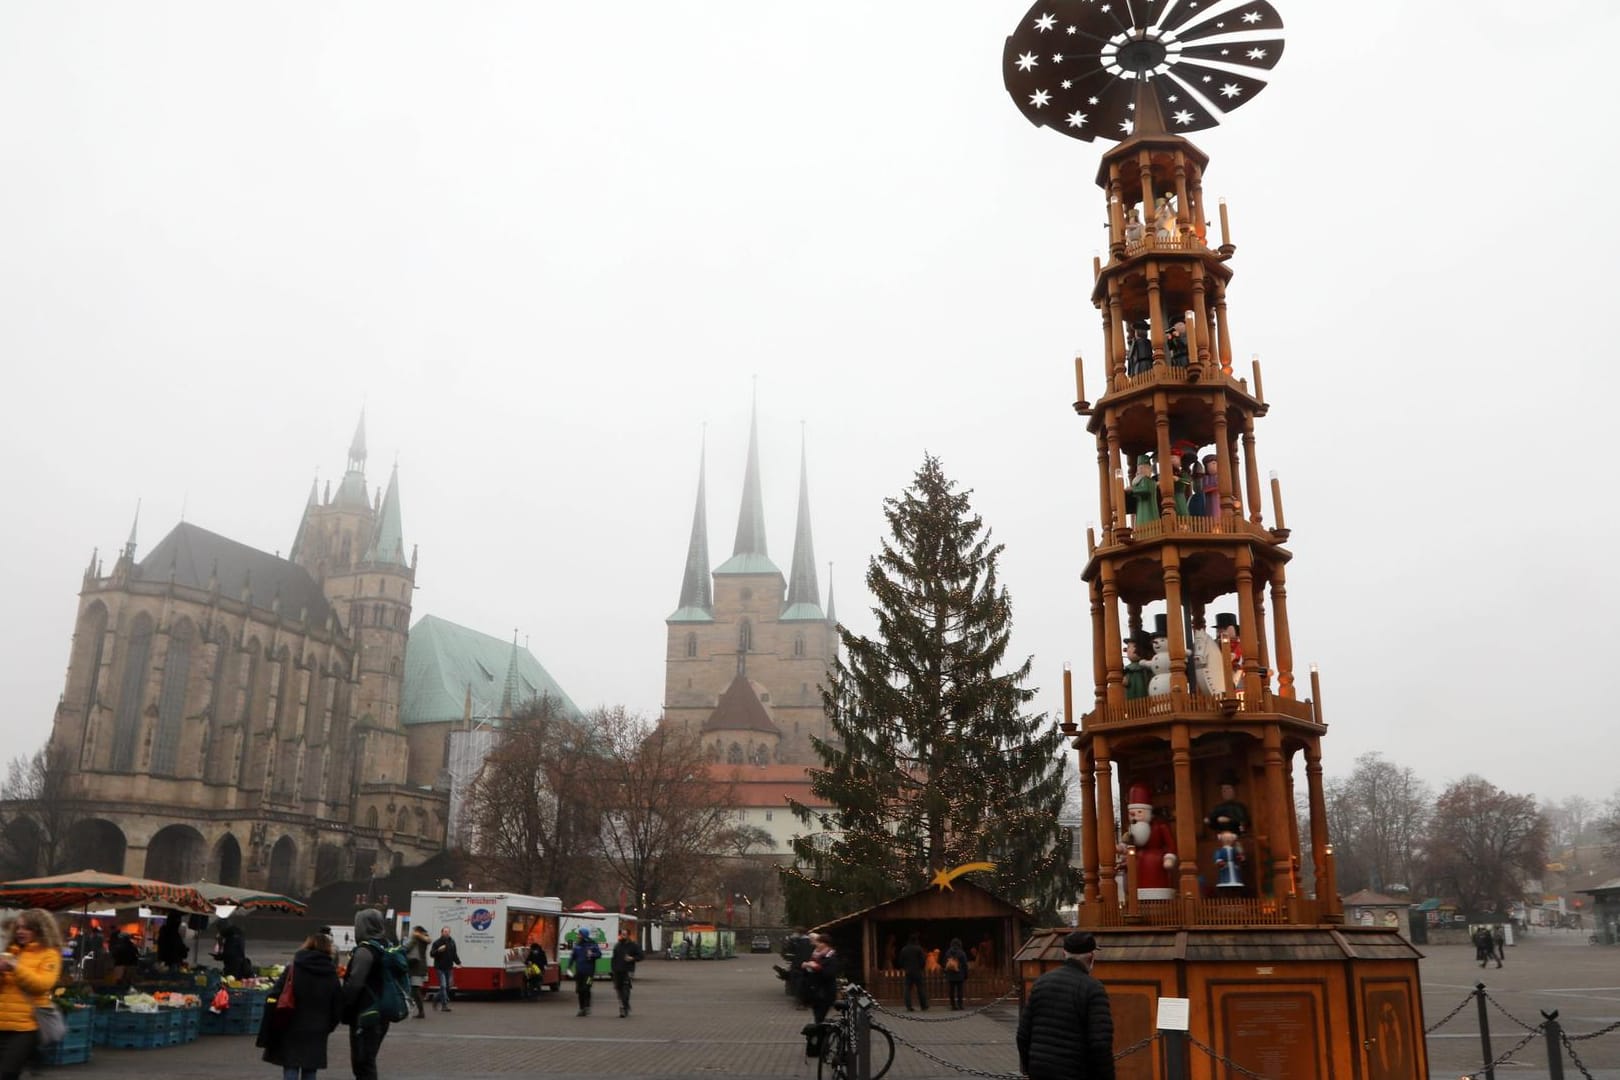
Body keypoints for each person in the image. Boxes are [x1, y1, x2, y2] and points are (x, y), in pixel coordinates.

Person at [1016, 930, 1114, 1080]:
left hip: (1040, 1071)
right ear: (1092, 957)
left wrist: (1031, 1067)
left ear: (1064, 954)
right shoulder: (1093, 988)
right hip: (1075, 1072)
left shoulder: (1041, 982)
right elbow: (1100, 1045)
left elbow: (1022, 1035)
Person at [259, 931, 343, 1080]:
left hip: (291, 1022)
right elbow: (337, 1005)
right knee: (310, 1068)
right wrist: (328, 1025)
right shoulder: (331, 973)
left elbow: (275, 994)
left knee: (291, 1065)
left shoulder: (294, 968)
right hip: (318, 1027)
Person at [0, 909, 64, 1080]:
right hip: (1, 1021)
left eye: (27, 928)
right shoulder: (12, 951)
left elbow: (42, 984)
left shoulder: (50, 954)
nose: (21, 932)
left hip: (25, 1027)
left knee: (7, 1073)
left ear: (40, 930)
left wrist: (15, 967)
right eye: (19, 927)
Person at [342, 910, 393, 1080]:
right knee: (368, 1059)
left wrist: (344, 1006)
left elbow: (355, 983)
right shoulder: (387, 945)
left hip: (365, 1012)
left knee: (362, 1063)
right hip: (382, 1011)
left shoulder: (365, 950)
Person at [1120, 782, 1177, 900]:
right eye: (1132, 814)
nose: (1135, 817)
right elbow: (1128, 843)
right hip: (1136, 864)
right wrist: (1122, 848)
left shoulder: (1160, 826)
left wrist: (1169, 857)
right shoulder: (1131, 829)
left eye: (1139, 812)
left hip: (1156, 862)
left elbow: (1170, 844)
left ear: (1148, 812)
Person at [799, 933, 839, 1059]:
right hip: (815, 993)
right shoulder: (816, 956)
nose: (817, 945)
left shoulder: (831, 957)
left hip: (825, 994)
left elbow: (829, 974)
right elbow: (810, 975)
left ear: (826, 944)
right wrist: (807, 967)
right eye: (817, 942)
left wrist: (816, 967)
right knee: (818, 1019)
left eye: (820, 943)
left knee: (819, 1019)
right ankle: (821, 1045)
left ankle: (822, 1046)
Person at [609, 928, 643, 1018]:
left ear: (628, 935)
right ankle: (625, 1005)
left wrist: (632, 958)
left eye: (625, 934)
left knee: (626, 990)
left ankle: (623, 1008)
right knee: (619, 990)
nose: (623, 936)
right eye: (622, 934)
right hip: (617, 971)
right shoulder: (617, 945)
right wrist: (612, 970)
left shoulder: (633, 945)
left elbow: (641, 956)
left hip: (628, 970)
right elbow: (613, 959)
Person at [569, 930, 602, 1017]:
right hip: (579, 972)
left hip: (589, 973)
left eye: (579, 934)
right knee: (579, 990)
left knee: (586, 988)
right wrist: (569, 967)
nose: (578, 935)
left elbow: (599, 954)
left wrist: (592, 955)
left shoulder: (592, 944)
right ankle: (581, 1008)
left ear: (584, 935)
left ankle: (587, 1006)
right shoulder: (577, 945)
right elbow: (573, 957)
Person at [429, 927, 459, 1012]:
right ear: (441, 932)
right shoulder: (437, 942)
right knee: (443, 986)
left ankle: (435, 998)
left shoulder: (452, 942)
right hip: (440, 968)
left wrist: (458, 962)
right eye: (445, 932)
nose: (447, 933)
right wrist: (438, 950)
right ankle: (444, 1006)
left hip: (449, 967)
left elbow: (454, 954)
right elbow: (431, 954)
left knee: (447, 987)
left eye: (448, 932)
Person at [898, 932, 927, 1011]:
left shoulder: (904, 949)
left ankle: (909, 1006)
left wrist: (905, 967)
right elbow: (923, 961)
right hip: (917, 971)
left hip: (908, 971)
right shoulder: (919, 949)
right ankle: (923, 1006)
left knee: (907, 989)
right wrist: (921, 967)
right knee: (920, 988)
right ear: (916, 940)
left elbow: (900, 961)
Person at [404, 926, 430, 1018]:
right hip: (420, 966)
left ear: (417, 932)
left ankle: (420, 1011)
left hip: (416, 967)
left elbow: (406, 948)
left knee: (415, 989)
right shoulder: (423, 939)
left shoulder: (416, 939)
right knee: (414, 989)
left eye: (414, 931)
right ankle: (418, 1010)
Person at [1122, 633, 1153, 701]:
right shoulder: (1130, 669)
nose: (1127, 650)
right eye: (1127, 647)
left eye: (1129, 647)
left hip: (1141, 699)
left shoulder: (1142, 667)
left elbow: (1126, 682)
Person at [1128, 455, 1159, 522]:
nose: (1141, 470)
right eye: (1140, 468)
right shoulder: (1139, 481)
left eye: (1144, 468)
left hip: (1149, 511)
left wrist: (1132, 490)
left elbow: (1146, 490)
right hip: (1140, 509)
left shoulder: (1148, 480)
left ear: (1150, 469)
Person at [943, 937, 970, 1011]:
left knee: (951, 990)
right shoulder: (962, 953)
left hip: (950, 974)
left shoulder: (948, 952)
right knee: (959, 990)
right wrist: (966, 974)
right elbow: (965, 964)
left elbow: (945, 963)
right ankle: (960, 1004)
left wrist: (946, 973)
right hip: (959, 974)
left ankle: (953, 1005)